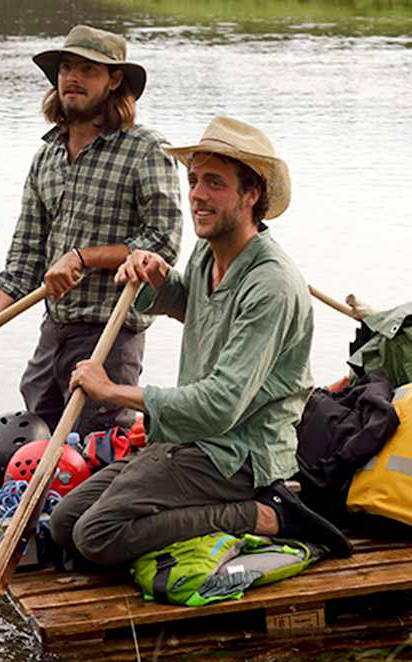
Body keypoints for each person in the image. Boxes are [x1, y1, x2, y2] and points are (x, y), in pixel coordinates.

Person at [49, 116, 353, 568]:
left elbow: (220, 404)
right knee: (64, 525)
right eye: (193, 180)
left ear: (252, 195)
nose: (196, 195)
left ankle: (265, 516)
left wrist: (112, 391)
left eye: (214, 183)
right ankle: (196, 507)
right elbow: (193, 304)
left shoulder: (271, 284)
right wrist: (155, 276)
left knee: (96, 534)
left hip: (239, 454)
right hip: (193, 440)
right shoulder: (207, 250)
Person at [0, 24, 182, 436]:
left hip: (110, 335)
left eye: (89, 69)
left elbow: (162, 244)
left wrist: (83, 257)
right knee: (35, 440)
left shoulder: (146, 150)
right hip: (53, 331)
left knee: (96, 448)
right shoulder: (46, 157)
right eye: (67, 67)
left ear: (113, 81)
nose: (72, 78)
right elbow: (23, 263)